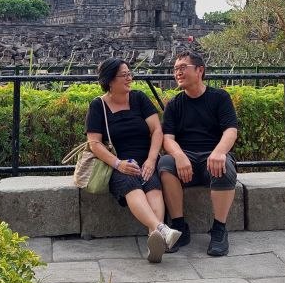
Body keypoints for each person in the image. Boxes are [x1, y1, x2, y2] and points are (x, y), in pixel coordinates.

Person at [85, 58, 181, 263]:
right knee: (131, 185)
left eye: (130, 73)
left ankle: (153, 239)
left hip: (146, 159)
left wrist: (151, 160)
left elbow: (157, 130)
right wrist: (118, 164)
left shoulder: (139, 99)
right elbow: (94, 143)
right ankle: (161, 229)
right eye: (124, 75)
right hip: (118, 163)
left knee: (153, 185)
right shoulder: (98, 105)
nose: (130, 78)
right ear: (110, 80)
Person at [158, 50, 239, 256]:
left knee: (225, 167)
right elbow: (168, 138)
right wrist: (179, 156)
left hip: (212, 155)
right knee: (165, 166)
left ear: (200, 70)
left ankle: (219, 229)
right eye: (175, 69)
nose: (178, 73)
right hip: (186, 158)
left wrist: (220, 152)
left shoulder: (219, 97)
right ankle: (179, 226)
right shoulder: (174, 104)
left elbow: (230, 130)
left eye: (183, 68)